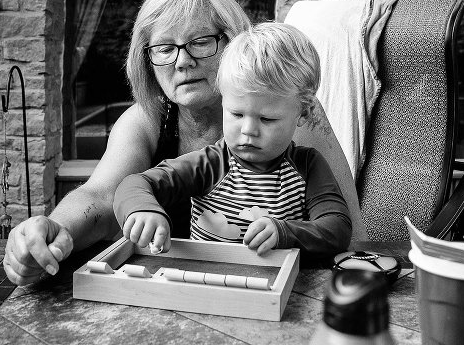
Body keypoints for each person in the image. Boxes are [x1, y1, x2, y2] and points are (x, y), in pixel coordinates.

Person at [3, 0, 363, 286]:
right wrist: (54, 229)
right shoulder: (146, 120)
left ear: (234, 41)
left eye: (201, 41)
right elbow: (101, 197)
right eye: (164, 47)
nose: (182, 60)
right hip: (187, 288)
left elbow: (351, 233)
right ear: (147, 58)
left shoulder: (298, 114)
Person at [114, 22, 352, 257]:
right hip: (206, 283)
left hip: (279, 288)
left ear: (303, 113)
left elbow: (337, 229)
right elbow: (134, 184)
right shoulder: (210, 164)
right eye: (237, 114)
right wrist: (143, 210)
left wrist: (286, 232)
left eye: (267, 119)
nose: (248, 130)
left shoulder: (308, 167)